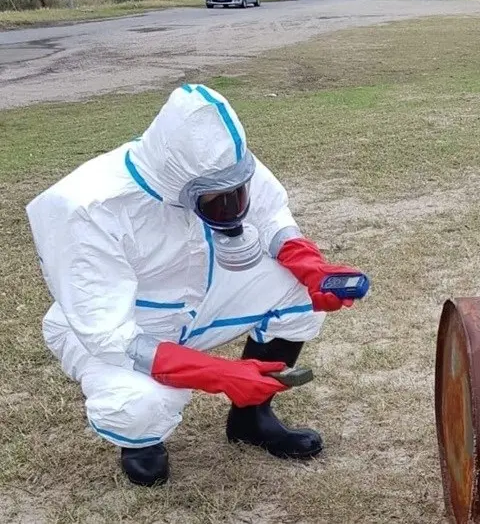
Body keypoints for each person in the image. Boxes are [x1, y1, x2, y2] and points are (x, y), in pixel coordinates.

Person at [25, 83, 366, 487]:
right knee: (142, 406)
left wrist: (312, 269)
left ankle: (251, 419)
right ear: (179, 181)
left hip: (197, 301)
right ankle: (142, 442)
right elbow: (111, 336)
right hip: (123, 329)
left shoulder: (222, 164)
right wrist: (219, 373)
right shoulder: (82, 208)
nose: (233, 206)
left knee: (296, 293)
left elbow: (272, 216)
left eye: (237, 193)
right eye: (218, 200)